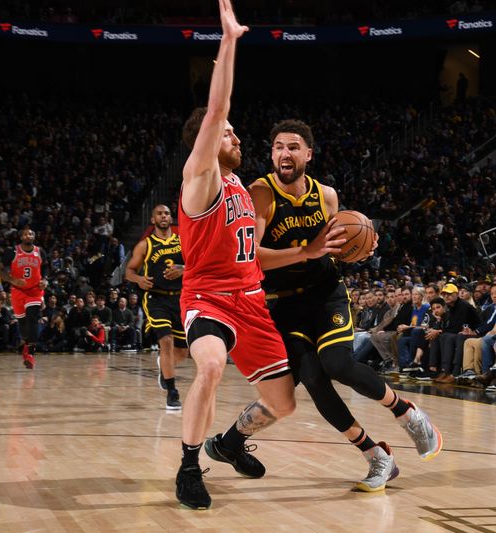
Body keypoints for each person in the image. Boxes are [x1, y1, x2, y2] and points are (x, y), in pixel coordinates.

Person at [248, 118, 442, 491]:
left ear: (308, 154)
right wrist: (307, 250)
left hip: (325, 294)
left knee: (338, 363)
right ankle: (376, 456)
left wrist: (362, 249)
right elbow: (253, 257)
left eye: (291, 147)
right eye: (277, 148)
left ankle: (408, 413)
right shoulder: (261, 192)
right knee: (315, 380)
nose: (283, 154)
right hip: (283, 305)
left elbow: (343, 244)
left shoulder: (327, 196)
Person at [174, 0, 296, 510]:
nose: (235, 133)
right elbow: (217, 109)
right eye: (226, 132)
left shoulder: (242, 186)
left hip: (252, 302)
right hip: (209, 299)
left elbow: (253, 255)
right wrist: (228, 42)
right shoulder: (200, 180)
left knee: (283, 403)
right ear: (205, 142)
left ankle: (228, 442)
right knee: (209, 367)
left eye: (232, 131)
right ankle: (188, 465)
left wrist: (307, 250)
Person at [126, 204, 187, 410]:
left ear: (171, 218)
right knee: (166, 342)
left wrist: (184, 269)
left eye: (167, 213)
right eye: (159, 214)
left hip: (179, 299)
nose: (164, 216)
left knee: (181, 353)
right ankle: (172, 392)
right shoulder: (145, 245)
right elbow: (129, 271)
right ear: (153, 220)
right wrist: (139, 279)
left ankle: (165, 368)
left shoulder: (182, 241)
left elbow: (198, 265)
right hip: (156, 298)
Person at [0, 227, 48, 369]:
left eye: (31, 233)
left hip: (35, 290)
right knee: (23, 326)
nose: (28, 235)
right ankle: (27, 344)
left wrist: (45, 280)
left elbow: (46, 268)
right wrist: (12, 280)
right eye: (25, 234)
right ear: (21, 237)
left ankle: (30, 352)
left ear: (34, 236)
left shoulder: (40, 252)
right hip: (18, 291)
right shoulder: (12, 252)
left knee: (33, 317)